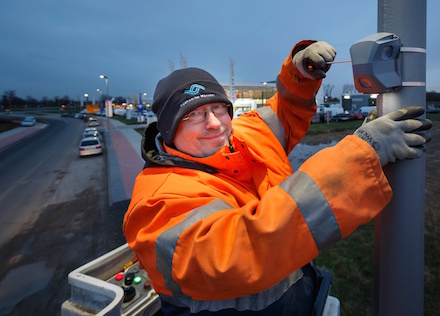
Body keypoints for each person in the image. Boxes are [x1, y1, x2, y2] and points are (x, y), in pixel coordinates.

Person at [123, 40, 431, 315]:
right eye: (194, 115)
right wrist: (363, 154)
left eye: (219, 108)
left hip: (298, 298)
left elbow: (284, 111)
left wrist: (302, 71)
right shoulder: (156, 202)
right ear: (167, 130)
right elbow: (242, 250)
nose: (215, 123)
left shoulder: (244, 134)